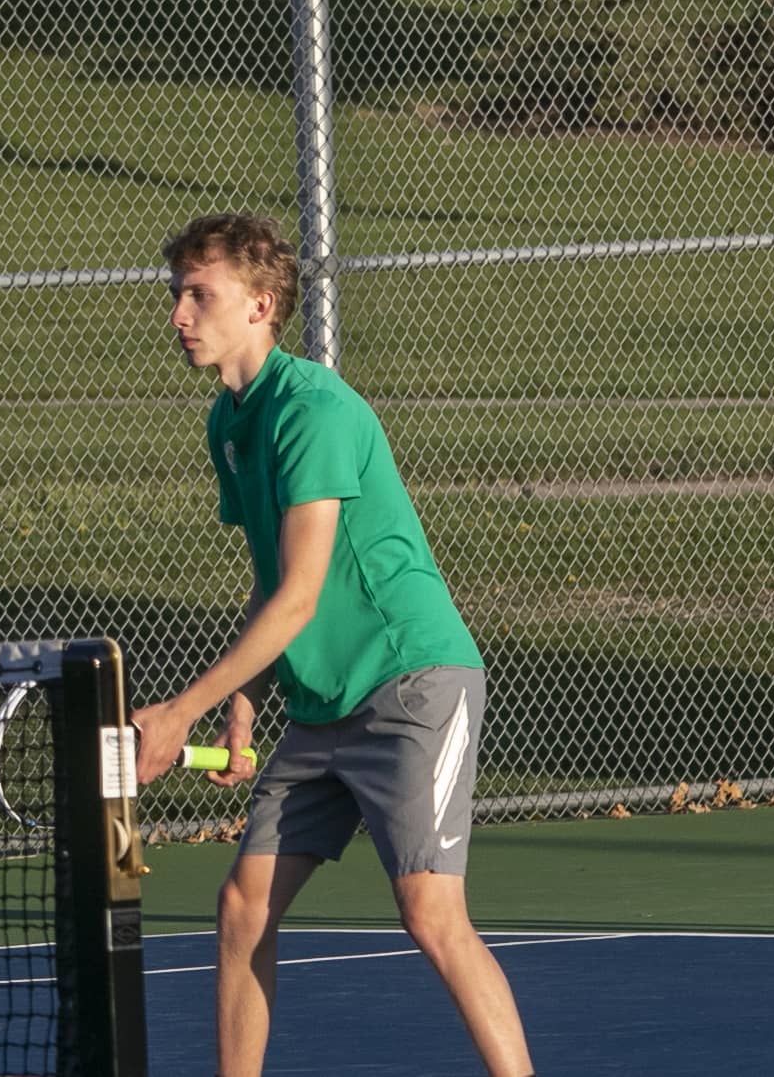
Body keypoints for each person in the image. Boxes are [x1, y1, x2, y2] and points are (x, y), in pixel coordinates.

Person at [132, 212, 533, 1077]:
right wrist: (241, 708)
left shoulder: (314, 411)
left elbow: (303, 595)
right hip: (323, 707)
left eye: (200, 295)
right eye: (176, 296)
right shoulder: (230, 425)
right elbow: (269, 584)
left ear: (262, 306)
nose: (179, 315)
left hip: (412, 681)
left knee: (430, 912)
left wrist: (179, 713)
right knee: (243, 905)